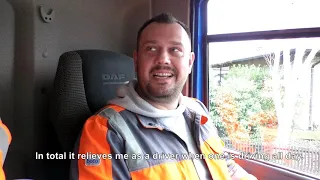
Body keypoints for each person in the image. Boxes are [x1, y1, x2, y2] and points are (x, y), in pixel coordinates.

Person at [70, 13, 257, 180]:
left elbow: (225, 165)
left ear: (190, 62)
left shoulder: (198, 111)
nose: (163, 59)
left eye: (175, 50)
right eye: (151, 49)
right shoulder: (105, 130)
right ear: (136, 61)